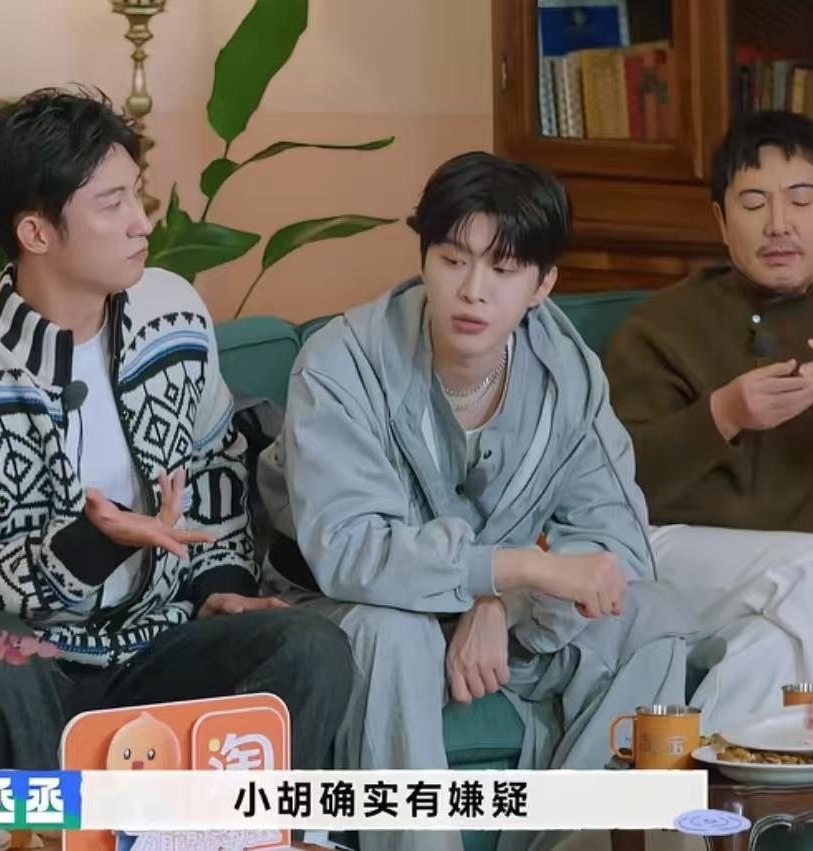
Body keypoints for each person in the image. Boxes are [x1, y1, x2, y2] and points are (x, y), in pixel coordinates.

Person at [0, 87, 352, 772]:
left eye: (137, 194)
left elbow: (214, 465)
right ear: (36, 232)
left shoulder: (173, 312)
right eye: (111, 204)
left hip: (160, 645)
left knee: (310, 646)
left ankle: (225, 828)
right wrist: (90, 546)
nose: (140, 223)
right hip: (34, 664)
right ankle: (51, 827)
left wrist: (216, 586)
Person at [258, 151, 695, 851]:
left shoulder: (569, 376)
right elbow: (351, 550)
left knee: (653, 617)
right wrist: (509, 570)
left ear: (543, 283)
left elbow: (618, 542)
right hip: (353, 608)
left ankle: (571, 844)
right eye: (452, 260)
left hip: (501, 617)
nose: (472, 291)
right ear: (424, 259)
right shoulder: (343, 361)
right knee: (394, 634)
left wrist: (501, 601)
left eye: (504, 268)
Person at [605, 110, 813, 727]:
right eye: (754, 203)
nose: (779, 223)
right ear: (721, 222)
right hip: (675, 557)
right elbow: (615, 485)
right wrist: (722, 415)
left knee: (773, 649)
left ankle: (690, 789)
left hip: (802, 586)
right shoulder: (661, 326)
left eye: (801, 199)